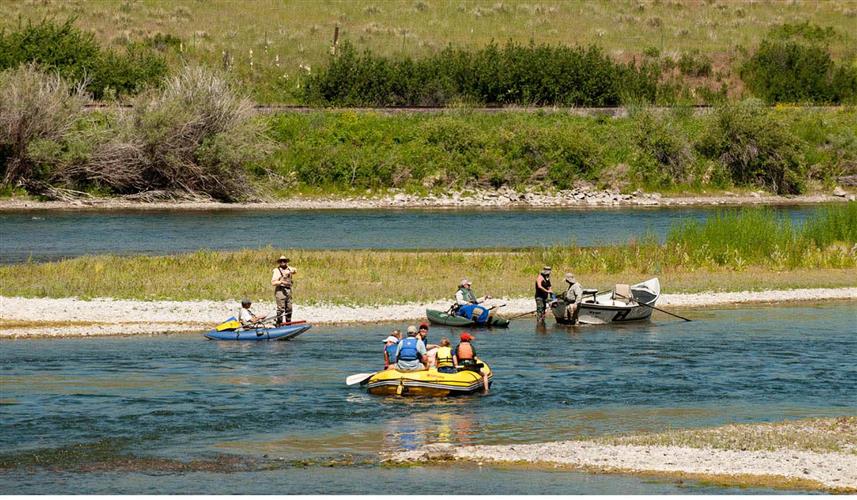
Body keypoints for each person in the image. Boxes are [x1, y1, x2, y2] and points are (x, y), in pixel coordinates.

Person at [271, 255, 297, 326]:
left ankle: (288, 324)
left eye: (284, 261)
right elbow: (273, 283)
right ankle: (279, 324)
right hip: (280, 291)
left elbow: (295, 270)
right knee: (281, 309)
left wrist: (290, 271)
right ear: (279, 262)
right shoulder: (276, 271)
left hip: (288, 290)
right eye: (281, 261)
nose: (283, 262)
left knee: (289, 308)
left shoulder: (289, 269)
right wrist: (281, 282)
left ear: (286, 262)